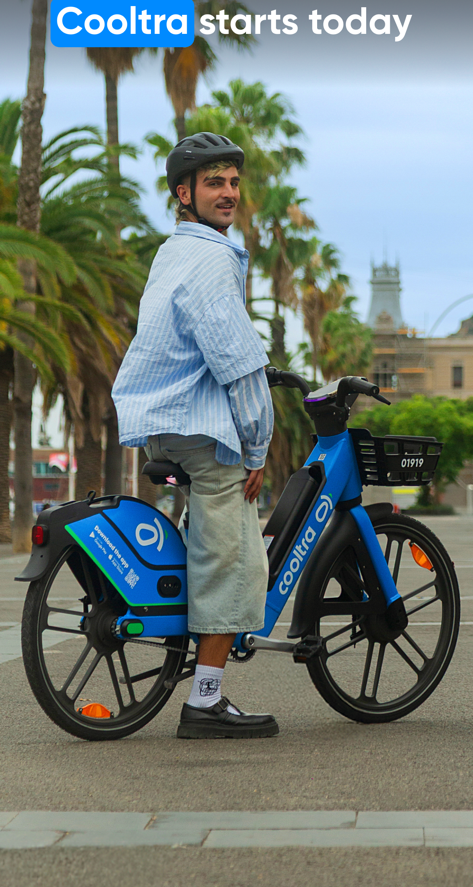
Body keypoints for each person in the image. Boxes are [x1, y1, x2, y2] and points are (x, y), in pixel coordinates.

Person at [112, 132, 278, 739]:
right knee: (235, 556)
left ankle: (192, 640)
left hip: (162, 426)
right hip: (202, 434)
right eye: (214, 183)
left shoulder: (172, 252)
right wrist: (256, 446)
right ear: (184, 192)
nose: (229, 192)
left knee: (206, 546)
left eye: (234, 182)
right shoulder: (212, 261)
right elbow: (237, 362)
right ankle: (205, 701)